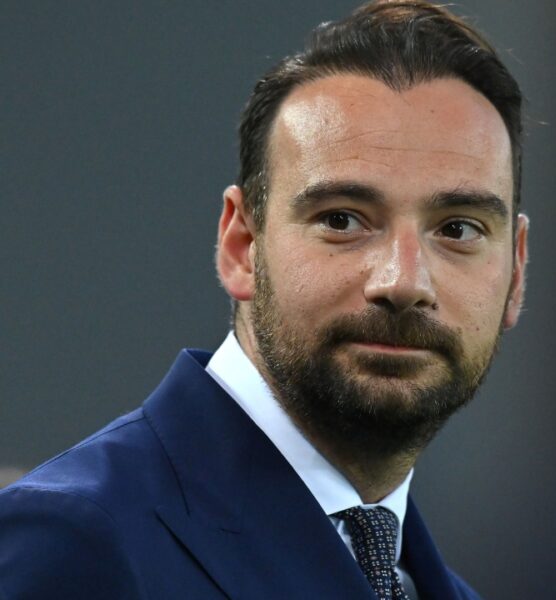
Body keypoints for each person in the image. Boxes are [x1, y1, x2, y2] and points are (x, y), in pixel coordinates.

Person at [0, 2, 527, 598]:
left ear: (516, 270)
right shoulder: (74, 542)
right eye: (342, 219)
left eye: (458, 229)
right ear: (241, 245)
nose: (404, 282)